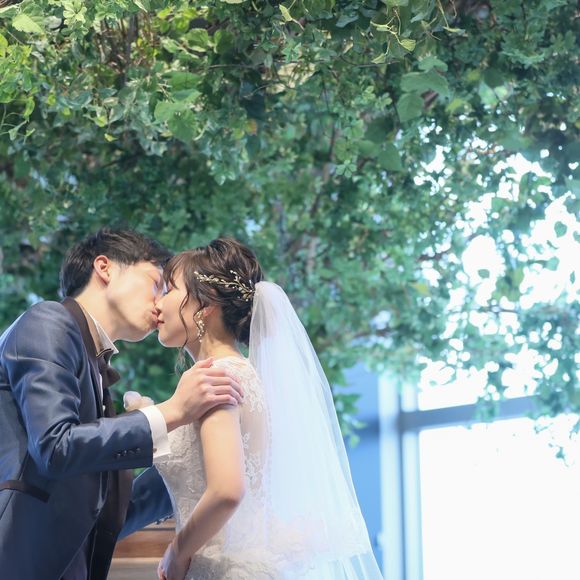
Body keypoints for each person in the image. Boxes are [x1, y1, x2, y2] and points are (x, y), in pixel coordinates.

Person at [0, 228, 243, 580]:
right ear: (105, 267)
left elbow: (109, 515)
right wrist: (170, 411)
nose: (160, 303)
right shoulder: (49, 322)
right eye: (156, 283)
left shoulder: (95, 366)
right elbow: (55, 446)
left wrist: (190, 464)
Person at [153, 238, 383, 579]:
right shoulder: (242, 373)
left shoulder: (216, 378)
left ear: (206, 304)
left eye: (170, 289)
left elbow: (227, 490)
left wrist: (177, 552)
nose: (158, 303)